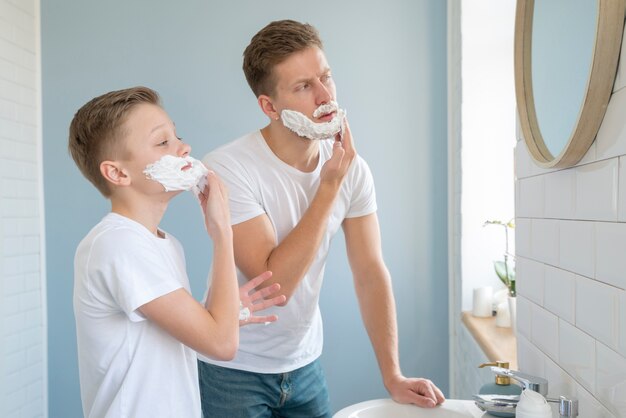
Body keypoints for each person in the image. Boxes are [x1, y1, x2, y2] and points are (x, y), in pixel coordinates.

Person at [198, 19, 446, 417]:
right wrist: (328, 187)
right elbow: (275, 284)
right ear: (269, 106)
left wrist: (393, 375)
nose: (325, 95)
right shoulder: (228, 168)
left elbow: (369, 270)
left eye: (326, 77)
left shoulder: (354, 169)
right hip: (235, 371)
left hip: (306, 366)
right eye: (303, 87)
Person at [68, 86, 285, 418]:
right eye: (162, 142)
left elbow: (178, 335)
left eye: (177, 137)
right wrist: (223, 232)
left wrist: (223, 313)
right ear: (117, 173)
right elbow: (221, 345)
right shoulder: (117, 244)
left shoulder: (164, 244)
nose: (185, 148)